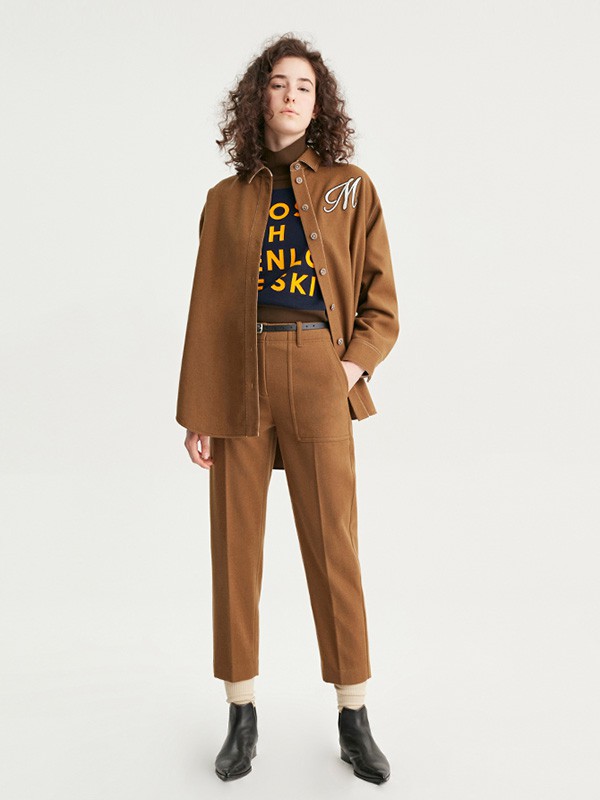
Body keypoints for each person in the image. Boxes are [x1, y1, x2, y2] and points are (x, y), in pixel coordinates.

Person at [176, 33, 400, 783]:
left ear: (320, 101)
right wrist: (198, 408)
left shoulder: (350, 188)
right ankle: (240, 714)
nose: (291, 95)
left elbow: (381, 303)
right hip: (237, 376)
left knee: (335, 547)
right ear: (258, 98)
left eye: (304, 85)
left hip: (317, 372)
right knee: (235, 548)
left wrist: (346, 370)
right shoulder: (224, 200)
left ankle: (354, 715)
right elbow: (207, 311)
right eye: (278, 83)